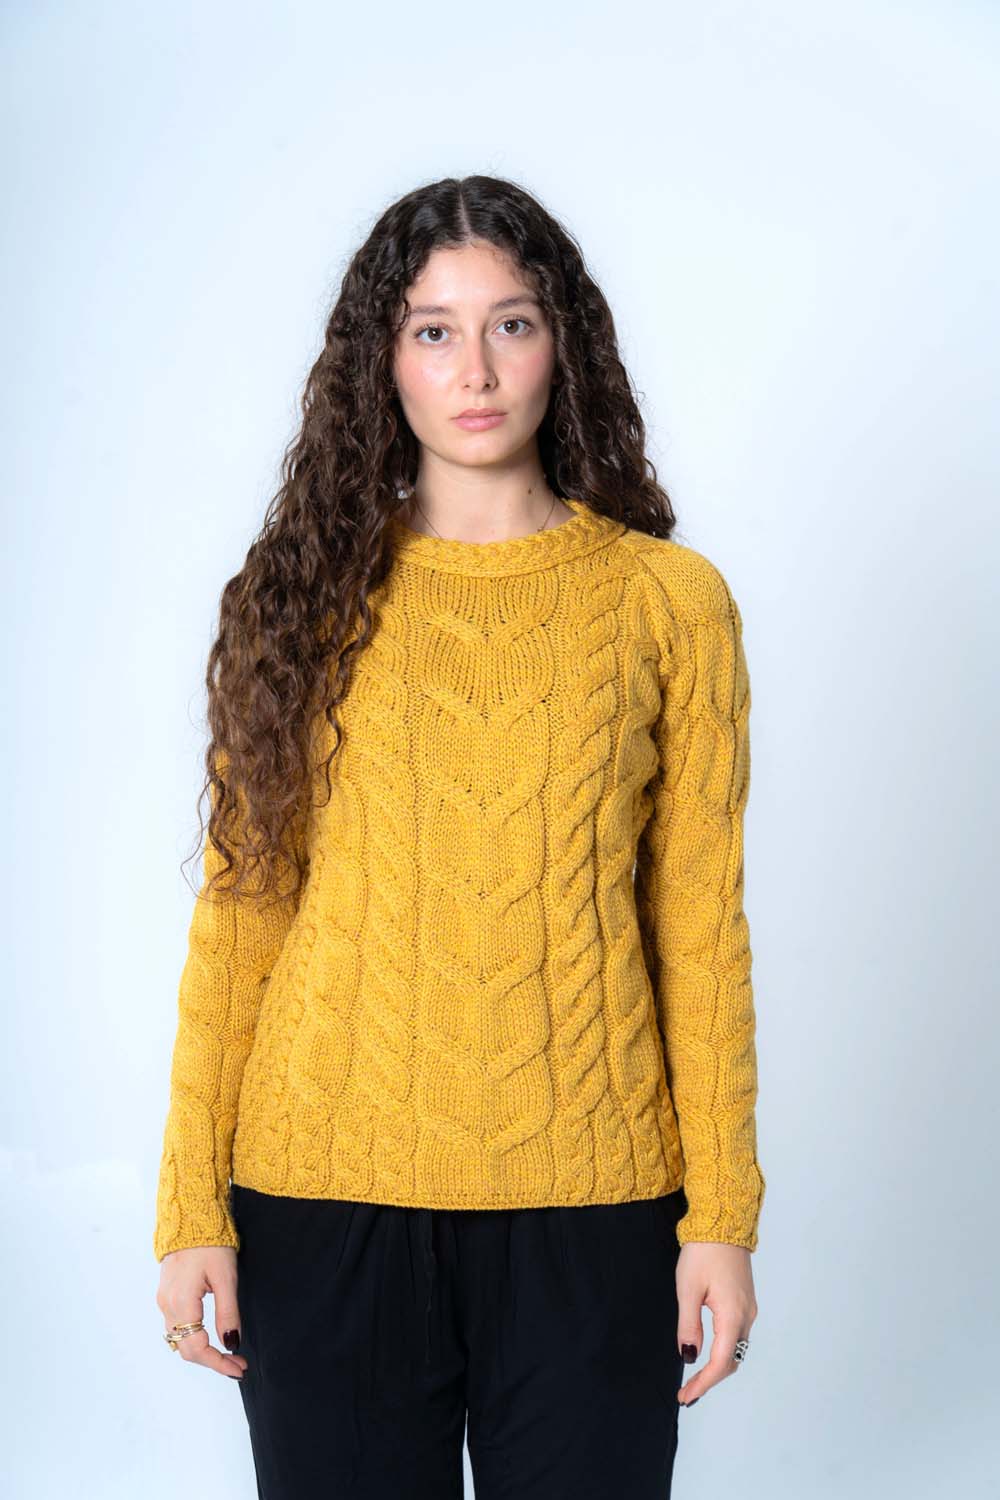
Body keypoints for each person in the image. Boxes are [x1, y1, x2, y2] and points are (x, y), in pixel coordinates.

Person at [153, 173, 765, 1499]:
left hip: (595, 1203)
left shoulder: (669, 606)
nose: (474, 370)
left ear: (564, 345)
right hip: (325, 1203)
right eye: (432, 330)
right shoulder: (300, 599)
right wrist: (190, 1204)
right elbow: (242, 914)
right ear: (382, 360)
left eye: (510, 324)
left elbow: (700, 928)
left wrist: (723, 1215)